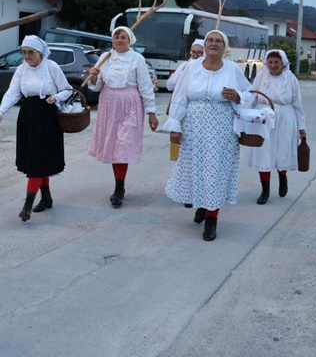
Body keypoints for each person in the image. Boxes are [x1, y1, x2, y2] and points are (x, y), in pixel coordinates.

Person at [164, 30, 254, 241]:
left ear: (225, 47)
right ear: (204, 45)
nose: (214, 44)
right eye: (210, 40)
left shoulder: (232, 69)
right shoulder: (191, 67)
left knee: (214, 172)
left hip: (221, 130)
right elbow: (179, 97)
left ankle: (212, 219)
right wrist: (175, 125)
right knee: (197, 169)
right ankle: (202, 206)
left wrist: (237, 95)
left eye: (218, 41)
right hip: (194, 128)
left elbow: (250, 94)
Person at [0, 35, 72, 221]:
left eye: (31, 52)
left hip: (47, 115)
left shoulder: (51, 67)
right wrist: (1, 111)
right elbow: (13, 92)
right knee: (35, 159)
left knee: (38, 160)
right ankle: (46, 197)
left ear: (40, 52)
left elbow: (67, 89)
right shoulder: (21, 69)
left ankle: (27, 206)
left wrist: (56, 97)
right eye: (24, 52)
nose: (27, 56)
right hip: (28, 115)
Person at [86, 26, 158, 208]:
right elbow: (96, 87)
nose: (119, 40)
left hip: (130, 105)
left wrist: (151, 112)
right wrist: (93, 77)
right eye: (116, 36)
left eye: (123, 37)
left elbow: (145, 86)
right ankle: (119, 186)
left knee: (123, 144)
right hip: (109, 105)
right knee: (114, 146)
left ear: (130, 39)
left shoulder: (137, 59)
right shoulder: (105, 58)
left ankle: (119, 187)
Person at [245, 50, 306, 205]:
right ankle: (265, 190)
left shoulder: (291, 79)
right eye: (270, 62)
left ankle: (282, 177)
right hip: (263, 119)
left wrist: (301, 127)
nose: (273, 65)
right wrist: (246, 116)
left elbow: (297, 104)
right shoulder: (260, 77)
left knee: (282, 151)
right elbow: (252, 97)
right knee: (263, 153)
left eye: (276, 62)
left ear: (283, 63)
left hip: (285, 119)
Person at [167, 39, 204, 208]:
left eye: (199, 53)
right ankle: (187, 190)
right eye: (194, 52)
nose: (196, 56)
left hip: (202, 118)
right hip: (183, 113)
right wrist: (181, 76)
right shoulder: (186, 66)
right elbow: (169, 85)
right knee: (184, 155)